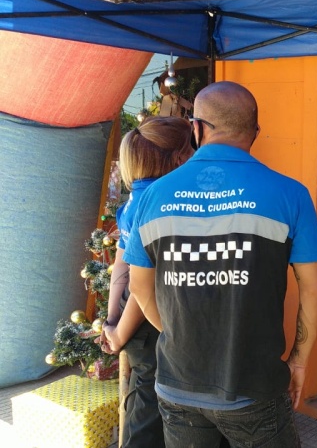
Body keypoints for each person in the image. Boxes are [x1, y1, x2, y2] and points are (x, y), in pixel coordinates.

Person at [122, 81, 317, 447]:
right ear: (255, 132)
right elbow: (314, 291)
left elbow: (139, 286)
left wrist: (179, 333)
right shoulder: (291, 194)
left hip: (177, 383)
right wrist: (298, 361)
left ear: (197, 128)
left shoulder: (153, 196)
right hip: (254, 387)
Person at [96, 116, 194, 448]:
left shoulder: (131, 202)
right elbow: (142, 285)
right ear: (178, 157)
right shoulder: (161, 204)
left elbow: (120, 267)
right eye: (191, 149)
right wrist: (119, 333)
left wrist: (111, 320)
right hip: (148, 321)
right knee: (148, 412)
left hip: (130, 320)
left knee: (142, 398)